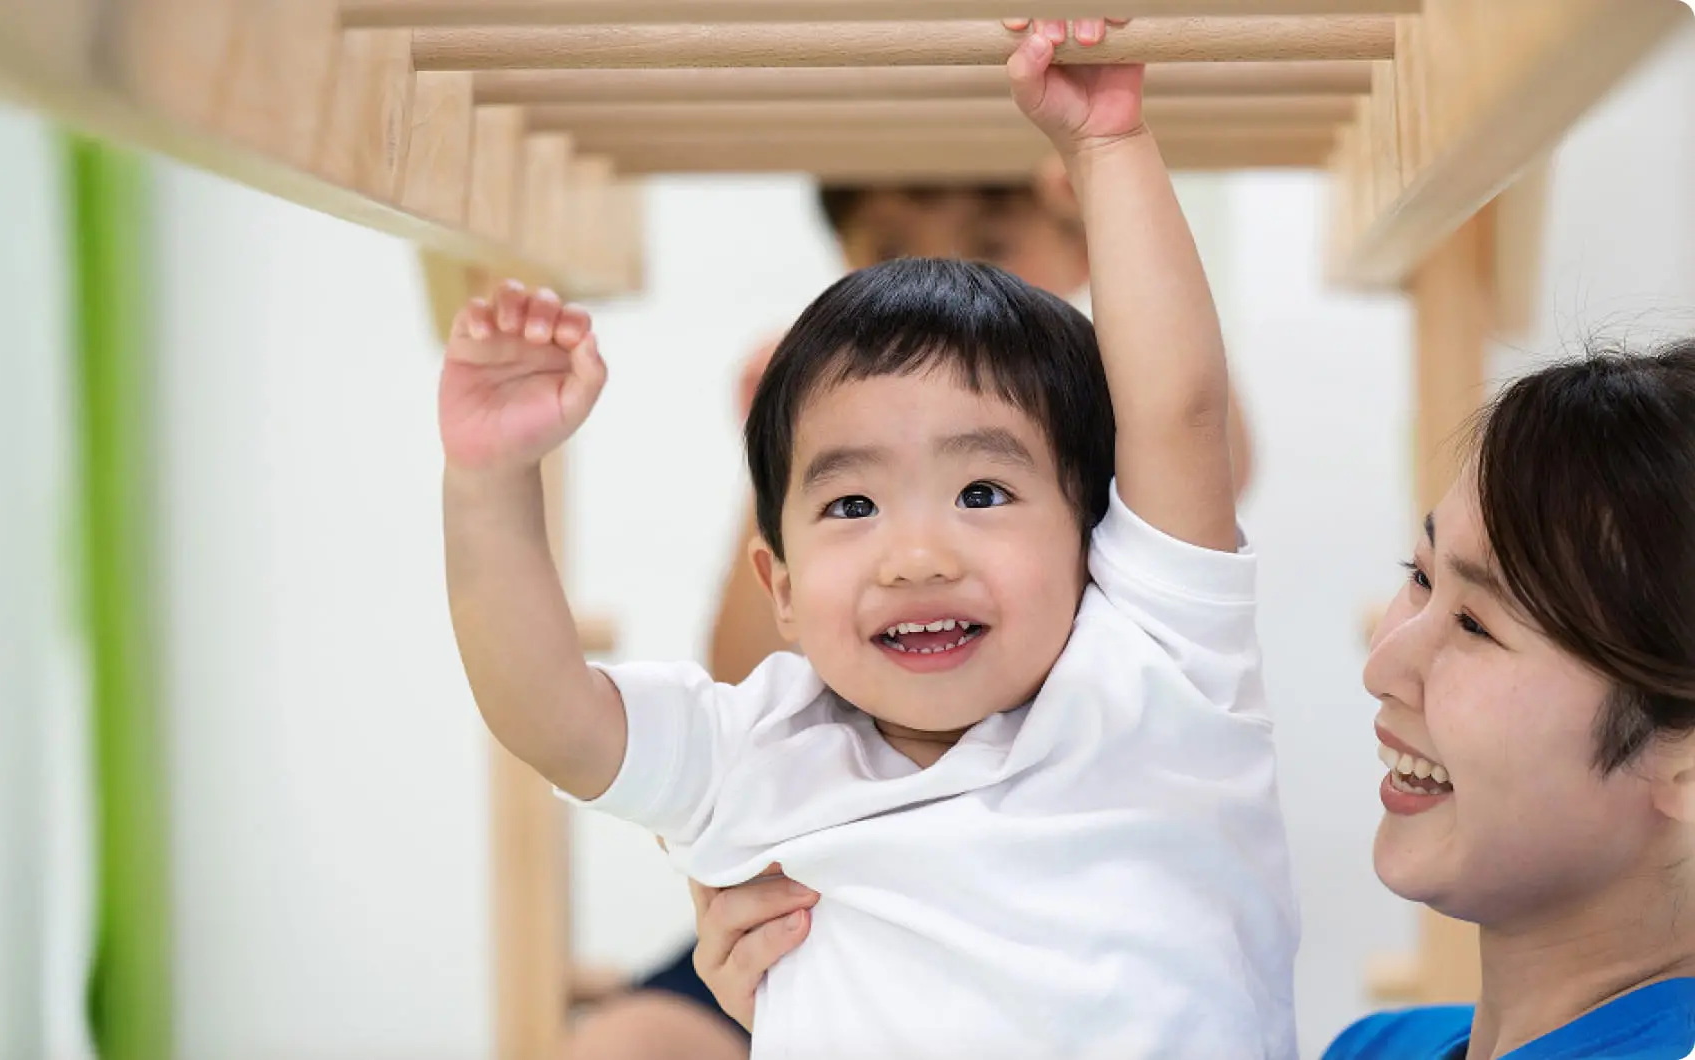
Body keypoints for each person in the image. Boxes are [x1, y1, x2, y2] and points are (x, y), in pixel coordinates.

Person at [438, 20, 1297, 1057]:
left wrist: (1111, 150)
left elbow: (1181, 417)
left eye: (982, 492)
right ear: (782, 582)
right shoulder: (770, 741)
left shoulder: (1155, 675)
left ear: (1095, 535)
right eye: (855, 509)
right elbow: (550, 712)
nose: (916, 555)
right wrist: (491, 481)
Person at [691, 337, 1695, 1060]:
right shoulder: (1373, 1049)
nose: (1384, 660)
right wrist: (877, 1002)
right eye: (1421, 576)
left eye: (1478, 625)